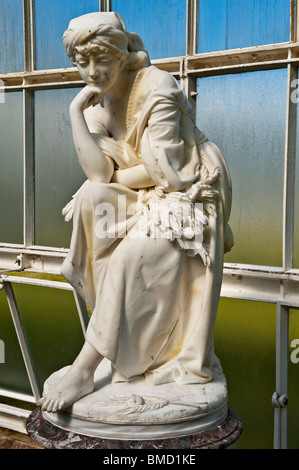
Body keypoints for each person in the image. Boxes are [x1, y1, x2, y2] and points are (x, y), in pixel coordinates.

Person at [38, 12, 233, 414]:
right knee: (94, 199)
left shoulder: (157, 87)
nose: (92, 72)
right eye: (82, 62)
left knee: (130, 253)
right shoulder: (95, 102)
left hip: (193, 189)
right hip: (147, 187)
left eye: (102, 59)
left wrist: (117, 174)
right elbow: (97, 173)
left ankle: (85, 366)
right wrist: (76, 112)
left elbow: (172, 175)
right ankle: (123, 343)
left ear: (123, 54)